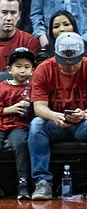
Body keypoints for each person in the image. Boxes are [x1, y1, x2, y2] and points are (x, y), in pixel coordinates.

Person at [28, 32, 87, 199]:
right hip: (55, 124)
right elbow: (39, 107)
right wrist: (54, 116)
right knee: (36, 125)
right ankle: (42, 182)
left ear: (82, 57)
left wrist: (85, 114)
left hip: (82, 123)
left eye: (74, 63)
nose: (69, 67)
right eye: (64, 63)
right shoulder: (44, 69)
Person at [0, 47, 35, 199]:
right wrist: (10, 109)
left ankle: (23, 181)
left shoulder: (32, 87)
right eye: (18, 66)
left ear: (32, 70)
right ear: (9, 69)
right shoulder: (2, 86)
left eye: (26, 67)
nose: (22, 71)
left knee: (21, 143)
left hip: (20, 125)